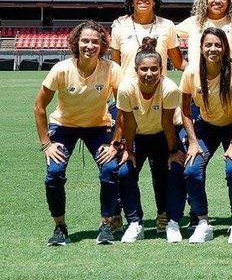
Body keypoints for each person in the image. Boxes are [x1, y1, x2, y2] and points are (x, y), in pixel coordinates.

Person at [34, 20, 124, 245]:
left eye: (95, 41)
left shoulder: (112, 69)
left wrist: (115, 142)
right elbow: (39, 106)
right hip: (64, 127)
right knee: (54, 173)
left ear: (102, 44)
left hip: (98, 126)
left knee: (111, 169)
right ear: (76, 42)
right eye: (85, 40)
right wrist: (47, 143)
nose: (90, 46)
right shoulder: (62, 69)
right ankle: (60, 227)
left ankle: (106, 224)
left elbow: (123, 108)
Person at [179, 27, 232, 244]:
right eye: (208, 45)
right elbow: (186, 111)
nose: (213, 49)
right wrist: (191, 141)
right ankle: (202, 222)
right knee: (191, 170)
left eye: (218, 44)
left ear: (225, 47)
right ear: (201, 48)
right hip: (206, 127)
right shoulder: (191, 72)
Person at [116, 38, 186, 243]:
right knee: (124, 172)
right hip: (137, 135)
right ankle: (135, 222)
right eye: (144, 69)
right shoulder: (126, 88)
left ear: (162, 69)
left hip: (164, 134)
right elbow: (127, 122)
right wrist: (129, 150)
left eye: (154, 69)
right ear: (136, 70)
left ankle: (169, 219)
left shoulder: (170, 88)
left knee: (172, 171)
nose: (149, 74)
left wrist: (173, 151)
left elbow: (167, 123)